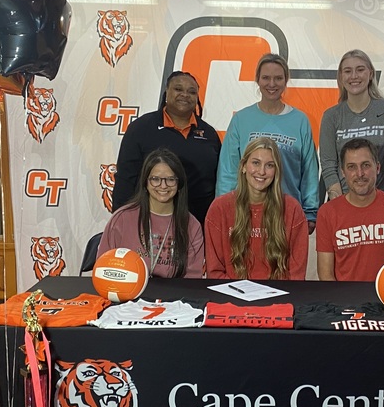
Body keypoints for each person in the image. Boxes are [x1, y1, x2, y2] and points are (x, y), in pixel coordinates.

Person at [216, 53, 320, 232]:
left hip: (287, 214)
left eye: (278, 78)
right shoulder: (241, 119)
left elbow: (309, 170)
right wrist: (224, 209)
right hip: (246, 214)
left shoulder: (300, 120)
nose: (272, 84)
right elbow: (228, 169)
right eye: (266, 78)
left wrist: (310, 212)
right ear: (257, 79)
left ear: (286, 81)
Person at [112, 71, 221, 226]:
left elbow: (218, 179)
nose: (185, 95)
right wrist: (120, 221)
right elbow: (125, 179)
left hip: (198, 224)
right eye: (178, 89)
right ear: (166, 92)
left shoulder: (209, 134)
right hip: (148, 222)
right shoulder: (141, 128)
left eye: (191, 92)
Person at [316, 138, 384, 282]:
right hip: (344, 296)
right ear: (343, 172)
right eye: (351, 167)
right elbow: (326, 276)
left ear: (377, 168)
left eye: (365, 165)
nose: (359, 174)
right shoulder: (327, 213)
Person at [205, 137, 308, 280]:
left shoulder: (292, 209)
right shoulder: (219, 209)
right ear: (243, 166)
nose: (261, 172)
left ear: (276, 171)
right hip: (231, 292)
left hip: (279, 293)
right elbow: (215, 272)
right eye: (256, 163)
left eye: (270, 165)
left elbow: (296, 275)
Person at [97, 148, 204, 278]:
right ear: (145, 182)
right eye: (155, 179)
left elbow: (192, 280)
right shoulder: (122, 219)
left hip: (175, 292)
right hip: (127, 290)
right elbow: (103, 268)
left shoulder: (192, 225)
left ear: (179, 183)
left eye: (170, 179)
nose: (163, 186)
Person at [319, 49, 384, 200]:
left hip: (381, 202)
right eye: (348, 71)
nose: (354, 76)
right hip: (345, 202)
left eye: (360, 70)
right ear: (341, 77)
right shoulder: (331, 116)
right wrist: (339, 206)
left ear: (370, 74)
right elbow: (329, 166)